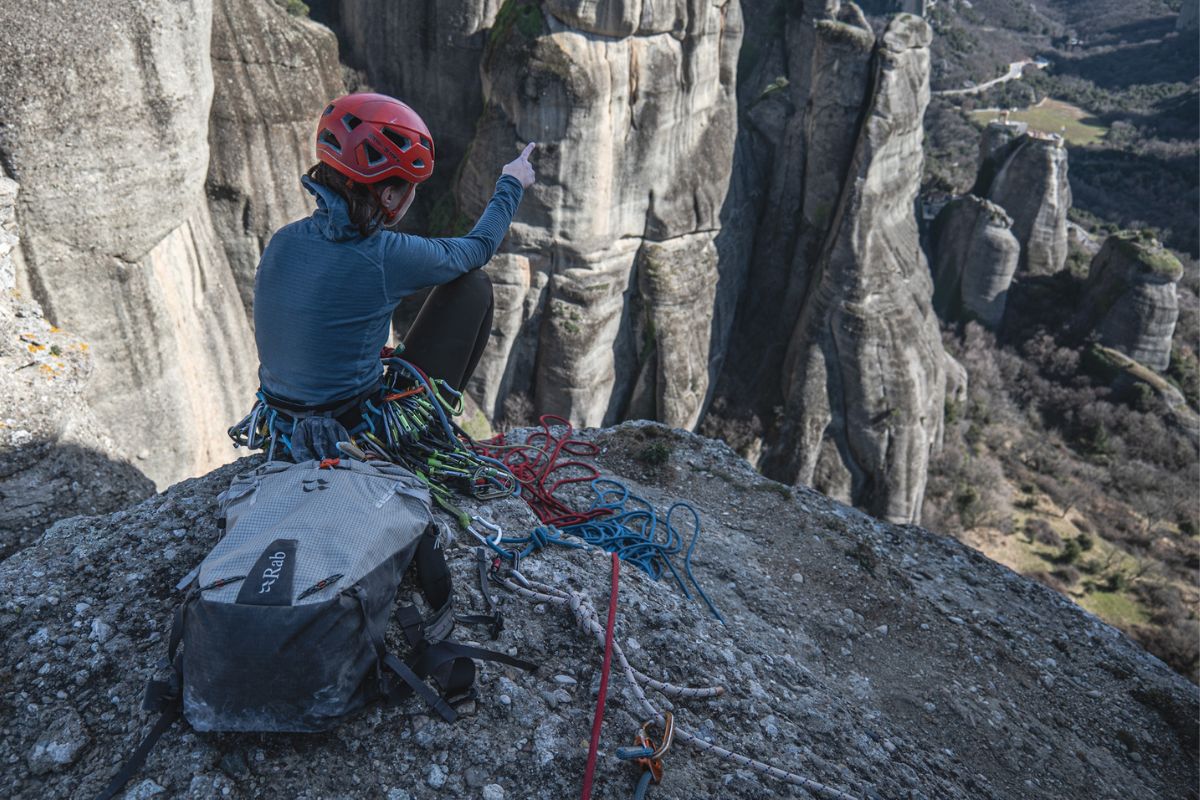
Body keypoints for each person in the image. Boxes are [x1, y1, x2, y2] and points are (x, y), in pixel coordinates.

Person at [239, 92, 536, 461]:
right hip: (355, 432)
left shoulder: (283, 240)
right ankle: (434, 434)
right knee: (473, 286)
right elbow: (479, 248)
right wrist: (512, 181)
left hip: (282, 430)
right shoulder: (383, 254)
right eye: (411, 186)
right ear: (391, 197)